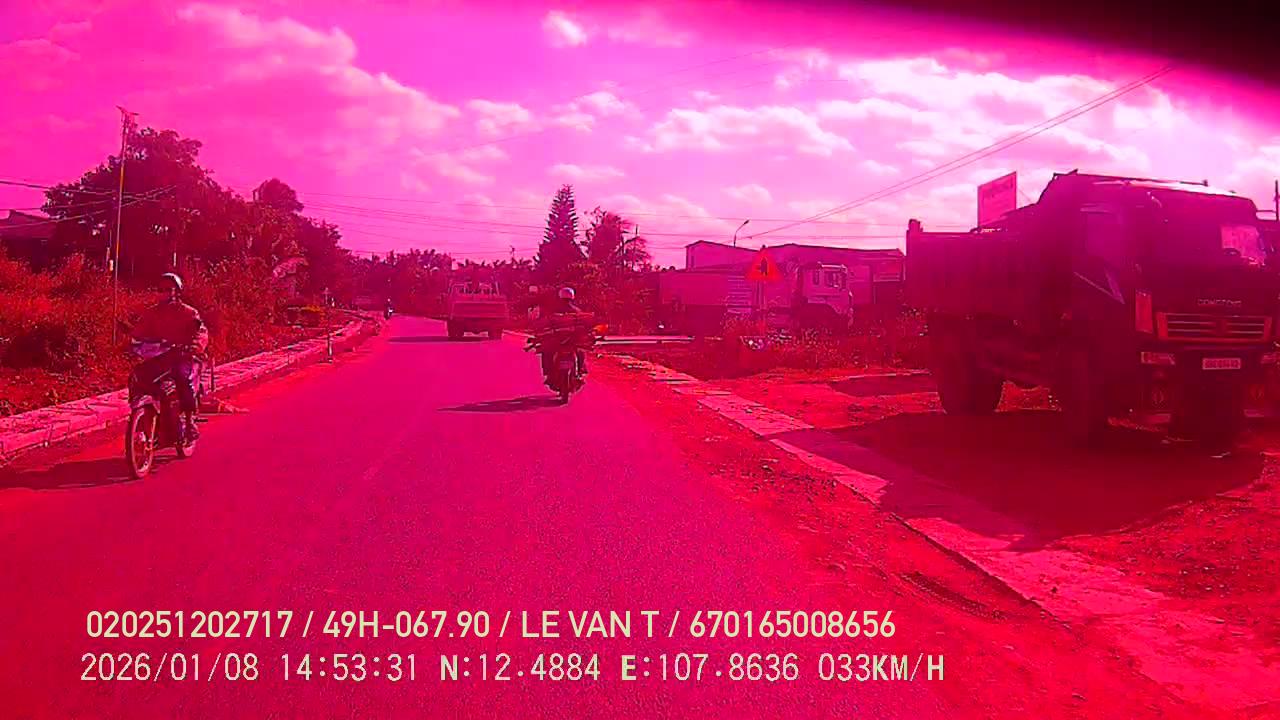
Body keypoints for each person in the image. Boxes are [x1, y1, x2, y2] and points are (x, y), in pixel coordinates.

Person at [130, 273, 208, 438]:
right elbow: (139, 333)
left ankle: (189, 421)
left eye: (168, 289)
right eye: (160, 289)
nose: (163, 293)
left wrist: (195, 345)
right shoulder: (151, 313)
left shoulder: (189, 313)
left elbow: (200, 332)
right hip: (161, 357)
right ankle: (142, 413)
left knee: (182, 378)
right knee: (138, 374)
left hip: (183, 356)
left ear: (177, 291)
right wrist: (130, 344)